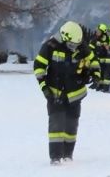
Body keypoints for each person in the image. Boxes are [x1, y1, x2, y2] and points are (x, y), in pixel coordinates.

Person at [34, 21, 100, 165]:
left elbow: (93, 60)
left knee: (71, 125)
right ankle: (55, 157)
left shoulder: (82, 47)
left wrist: (96, 75)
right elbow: (39, 68)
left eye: (76, 45)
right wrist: (45, 88)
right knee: (56, 126)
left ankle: (68, 154)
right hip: (55, 93)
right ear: (64, 37)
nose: (74, 48)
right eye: (71, 44)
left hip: (76, 94)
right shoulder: (49, 47)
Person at [89, 23, 110, 92]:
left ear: (103, 32)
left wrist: (102, 45)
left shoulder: (106, 38)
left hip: (104, 59)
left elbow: (107, 47)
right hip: (97, 58)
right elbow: (91, 47)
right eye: (97, 31)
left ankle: (103, 86)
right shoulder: (95, 38)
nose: (97, 32)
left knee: (103, 73)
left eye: (99, 31)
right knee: (99, 72)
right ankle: (99, 85)